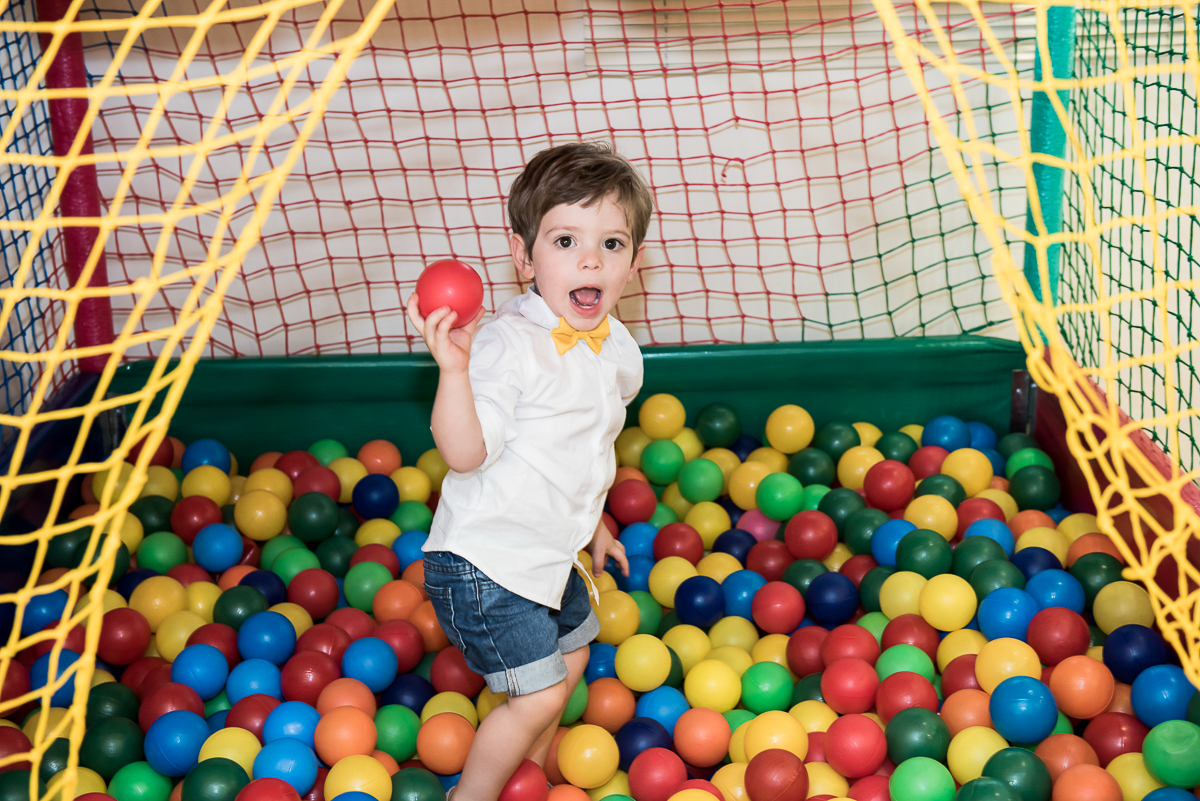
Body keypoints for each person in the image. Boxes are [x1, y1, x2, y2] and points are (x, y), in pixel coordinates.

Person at [404, 142, 654, 800]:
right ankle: (474, 794)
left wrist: (592, 522)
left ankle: (530, 773)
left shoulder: (618, 350)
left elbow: (582, 449)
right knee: (540, 693)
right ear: (524, 257)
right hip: (485, 563)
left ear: (634, 261)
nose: (591, 259)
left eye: (613, 243)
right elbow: (464, 453)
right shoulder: (506, 345)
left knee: (575, 652)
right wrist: (455, 373)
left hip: (548, 553)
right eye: (566, 239)